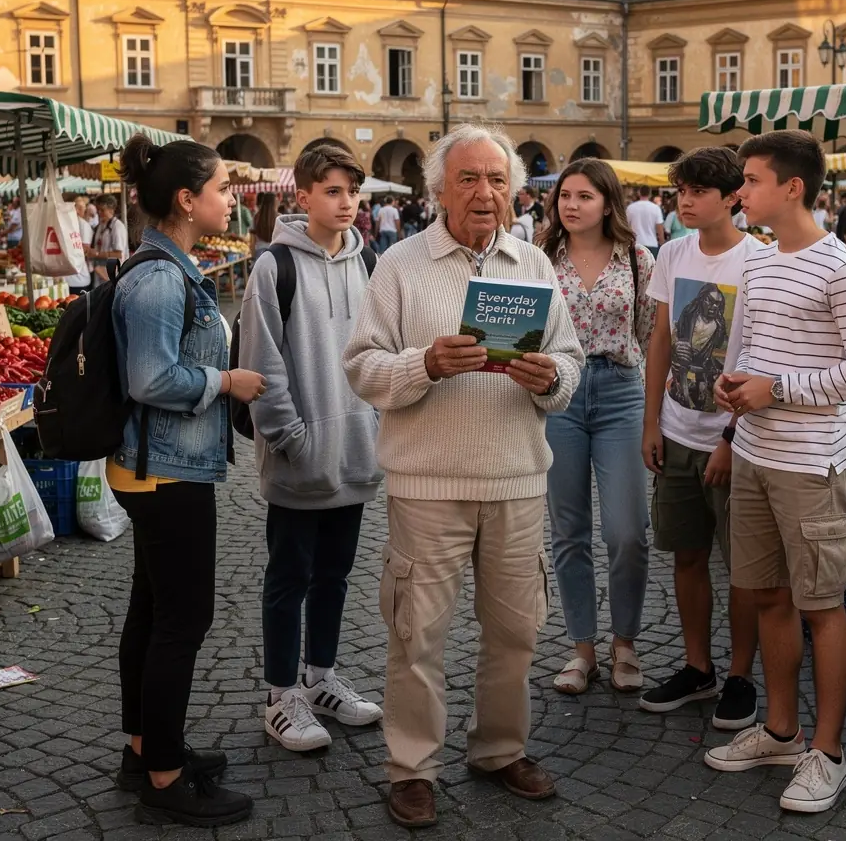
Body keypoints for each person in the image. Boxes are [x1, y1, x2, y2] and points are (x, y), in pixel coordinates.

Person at [343, 123, 584, 829]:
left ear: (514, 190)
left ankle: (500, 749)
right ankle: (413, 767)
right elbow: (361, 366)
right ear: (439, 189)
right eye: (470, 179)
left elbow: (569, 368)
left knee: (516, 633)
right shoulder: (399, 264)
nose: (486, 193)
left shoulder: (533, 265)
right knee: (416, 634)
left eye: (499, 180)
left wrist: (550, 378)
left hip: (516, 480)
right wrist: (425, 364)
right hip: (428, 486)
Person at [705, 130, 846, 815]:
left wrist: (774, 388)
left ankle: (828, 752)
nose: (740, 192)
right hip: (754, 452)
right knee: (767, 597)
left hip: (810, 463)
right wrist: (734, 398)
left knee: (820, 605)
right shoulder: (757, 260)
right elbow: (749, 344)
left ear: (792, 188)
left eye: (750, 180)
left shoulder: (842, 268)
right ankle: (781, 730)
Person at [110, 134, 266, 827]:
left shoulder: (168, 268)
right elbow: (151, 379)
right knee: (182, 620)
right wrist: (227, 380)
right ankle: (166, 778)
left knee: (152, 611)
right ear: (186, 199)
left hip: (159, 467)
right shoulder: (157, 279)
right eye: (224, 188)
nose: (231, 200)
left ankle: (147, 747)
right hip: (164, 471)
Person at [240, 143, 384, 754]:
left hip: (355, 452)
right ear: (303, 197)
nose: (346, 202)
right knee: (289, 576)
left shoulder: (369, 263)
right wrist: (292, 438)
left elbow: (382, 347)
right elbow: (262, 363)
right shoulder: (275, 267)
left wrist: (373, 428)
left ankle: (321, 677)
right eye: (332, 191)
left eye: (353, 191)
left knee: (335, 574)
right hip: (302, 457)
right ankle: (281, 695)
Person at [641, 147, 761, 730]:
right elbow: (660, 340)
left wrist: (731, 440)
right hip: (676, 428)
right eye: (679, 191)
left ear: (733, 196)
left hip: (735, 439)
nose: (684, 201)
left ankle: (740, 676)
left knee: (744, 568)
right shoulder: (672, 252)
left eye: (697, 191)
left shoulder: (759, 261)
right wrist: (650, 424)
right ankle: (698, 667)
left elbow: (763, 358)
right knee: (686, 555)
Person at [539, 159, 655, 695]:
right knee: (569, 532)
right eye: (565, 195)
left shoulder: (638, 259)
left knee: (627, 531)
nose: (572, 205)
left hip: (620, 392)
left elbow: (652, 334)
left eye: (584, 196)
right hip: (558, 395)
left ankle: (625, 643)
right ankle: (582, 646)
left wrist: (658, 410)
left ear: (608, 203)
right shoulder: (539, 259)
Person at [89, 194, 130, 283]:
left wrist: (96, 254)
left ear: (111, 210)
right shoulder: (100, 226)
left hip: (113, 274)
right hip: (100, 272)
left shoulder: (117, 226)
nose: (99, 213)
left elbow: (118, 254)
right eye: (98, 210)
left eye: (102, 210)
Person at [66, 196, 94, 294]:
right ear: (77, 209)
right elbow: (85, 250)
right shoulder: (83, 225)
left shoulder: (66, 224)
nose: (85, 210)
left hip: (75, 278)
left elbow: (84, 249)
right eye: (83, 208)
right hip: (78, 278)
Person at [626, 185, 665, 256]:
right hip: (652, 243)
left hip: (635, 243)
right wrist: (662, 242)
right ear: (650, 194)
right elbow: (659, 227)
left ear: (639, 193)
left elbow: (626, 225)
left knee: (634, 267)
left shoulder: (631, 208)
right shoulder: (656, 208)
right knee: (652, 266)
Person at [251, 191, 278, 258]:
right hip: (275, 252)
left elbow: (252, 239)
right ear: (274, 203)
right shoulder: (279, 218)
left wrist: (253, 254)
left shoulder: (256, 217)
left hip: (260, 252)